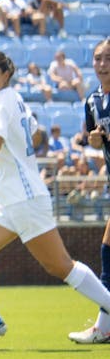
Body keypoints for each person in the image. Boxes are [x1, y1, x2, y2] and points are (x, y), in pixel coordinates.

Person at [0, 48, 110, 344]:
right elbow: (36, 136)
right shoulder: (10, 98)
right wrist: (4, 159)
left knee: (60, 266)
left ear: (5, 74)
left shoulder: (0, 102)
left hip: (24, 198)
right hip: (10, 197)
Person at [75, 37, 110, 343]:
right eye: (98, 59)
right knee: (107, 250)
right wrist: (94, 141)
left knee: (107, 250)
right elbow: (91, 137)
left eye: (107, 58)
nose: (102, 64)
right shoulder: (92, 101)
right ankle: (104, 326)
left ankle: (103, 326)